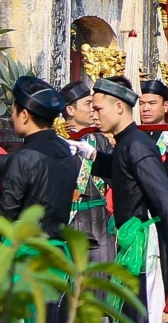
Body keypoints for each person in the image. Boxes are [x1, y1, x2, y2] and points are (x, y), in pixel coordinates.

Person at [92, 76, 168, 323]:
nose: (95, 115)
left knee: (146, 308)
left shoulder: (136, 145)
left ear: (118, 107)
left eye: (98, 108)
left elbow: (163, 193)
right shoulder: (127, 143)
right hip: (130, 237)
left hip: (146, 241)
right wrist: (94, 156)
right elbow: (121, 169)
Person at [0, 80, 76, 241]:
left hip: (28, 253)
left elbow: (5, 214)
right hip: (58, 251)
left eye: (14, 112)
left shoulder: (24, 158)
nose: (12, 117)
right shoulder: (64, 148)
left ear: (24, 115)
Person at [62, 79, 116, 263]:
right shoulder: (57, 141)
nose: (93, 109)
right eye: (88, 104)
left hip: (99, 224)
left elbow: (116, 176)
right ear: (70, 110)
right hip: (66, 224)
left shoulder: (102, 141)